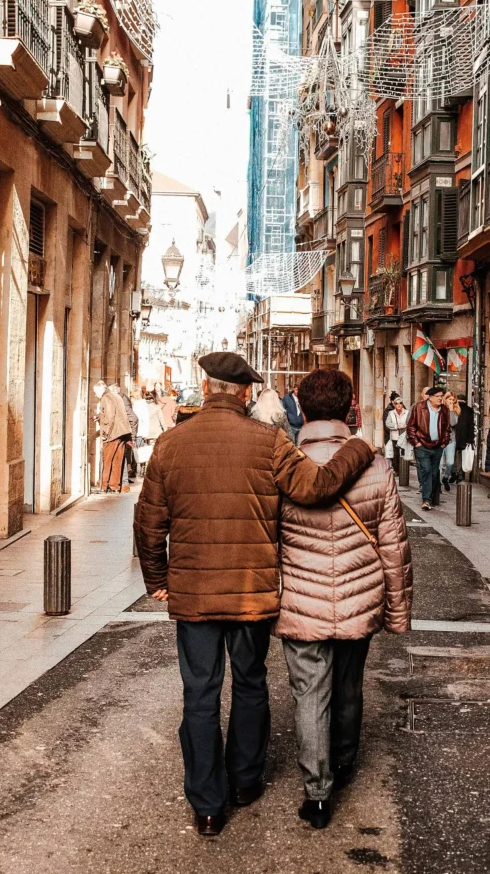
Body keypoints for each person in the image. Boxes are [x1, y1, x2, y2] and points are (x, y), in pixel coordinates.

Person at [134, 352, 375, 837]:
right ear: (245, 394)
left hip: (195, 595)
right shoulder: (269, 442)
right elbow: (320, 486)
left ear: (205, 391)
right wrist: (359, 448)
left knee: (199, 695)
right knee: (249, 685)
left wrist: (157, 578)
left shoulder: (169, 445)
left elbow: (148, 521)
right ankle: (244, 781)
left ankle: (207, 804)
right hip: (251, 593)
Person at [275, 370, 412, 829]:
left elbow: (267, 538)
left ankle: (316, 793)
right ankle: (345, 762)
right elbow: (393, 544)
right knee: (349, 684)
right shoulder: (375, 466)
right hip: (360, 596)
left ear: (303, 407)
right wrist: (396, 611)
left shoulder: (286, 464)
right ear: (349, 408)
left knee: (308, 692)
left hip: (300, 599)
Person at [406, 387, 451, 511]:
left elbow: (447, 428)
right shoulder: (419, 407)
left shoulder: (445, 410)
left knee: (435, 472)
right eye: (437, 396)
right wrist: (416, 442)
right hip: (422, 445)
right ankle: (426, 499)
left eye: (441, 396)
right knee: (426, 469)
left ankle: (431, 497)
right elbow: (411, 426)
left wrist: (444, 442)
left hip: (437, 446)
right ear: (430, 397)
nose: (440, 398)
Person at [95, 381, 132, 493]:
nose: (95, 394)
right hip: (122, 432)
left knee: (107, 460)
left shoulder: (106, 397)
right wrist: (99, 416)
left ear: (100, 390)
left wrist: (106, 434)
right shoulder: (116, 396)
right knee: (117, 460)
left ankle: (104, 486)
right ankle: (115, 486)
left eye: (95, 392)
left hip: (113, 433)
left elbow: (110, 417)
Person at [111, 383, 139, 485]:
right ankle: (124, 481)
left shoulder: (122, 400)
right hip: (124, 433)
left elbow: (133, 418)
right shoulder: (122, 399)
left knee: (122, 456)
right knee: (123, 457)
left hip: (123, 434)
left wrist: (132, 437)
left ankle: (123, 482)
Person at [441, 391, 460, 492]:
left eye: (453, 400)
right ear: (445, 399)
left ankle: (445, 478)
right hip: (439, 440)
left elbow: (453, 423)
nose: (451, 401)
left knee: (450, 462)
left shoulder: (455, 411)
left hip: (451, 440)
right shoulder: (440, 409)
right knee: (439, 464)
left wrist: (451, 410)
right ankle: (437, 486)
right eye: (449, 399)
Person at [454, 392, 475, 482]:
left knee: (453, 455)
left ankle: (454, 472)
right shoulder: (469, 410)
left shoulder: (454, 408)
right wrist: (470, 439)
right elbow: (471, 425)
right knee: (462, 455)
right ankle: (460, 473)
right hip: (464, 437)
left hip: (454, 436)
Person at [384, 397, 409, 469]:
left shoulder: (407, 412)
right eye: (396, 403)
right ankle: (397, 469)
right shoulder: (391, 413)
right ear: (394, 405)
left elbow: (410, 422)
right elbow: (387, 423)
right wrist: (396, 426)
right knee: (396, 453)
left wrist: (405, 426)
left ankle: (404, 468)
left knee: (404, 452)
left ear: (402, 404)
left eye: (400, 403)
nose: (399, 405)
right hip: (395, 436)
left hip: (404, 435)